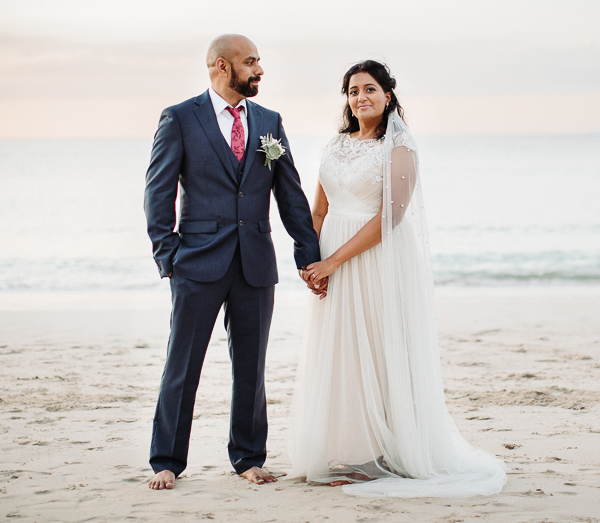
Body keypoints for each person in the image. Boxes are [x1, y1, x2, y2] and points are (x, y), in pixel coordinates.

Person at [287, 60, 507, 498]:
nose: (360, 97)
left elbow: (391, 216)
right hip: (330, 255)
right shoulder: (334, 145)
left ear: (388, 95)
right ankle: (347, 447)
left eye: (369, 89)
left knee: (378, 346)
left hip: (377, 259)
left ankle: (379, 453)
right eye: (352, 91)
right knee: (342, 349)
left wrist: (333, 263)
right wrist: (309, 261)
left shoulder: (399, 148)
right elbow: (318, 211)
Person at [143, 34, 321, 490]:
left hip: (255, 264)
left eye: (260, 60)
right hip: (196, 265)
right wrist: (169, 258)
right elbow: (158, 193)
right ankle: (166, 460)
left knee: (251, 367)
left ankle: (247, 458)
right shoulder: (181, 118)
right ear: (222, 66)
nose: (259, 70)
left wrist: (308, 254)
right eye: (251, 62)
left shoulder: (269, 122)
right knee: (182, 366)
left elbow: (290, 193)